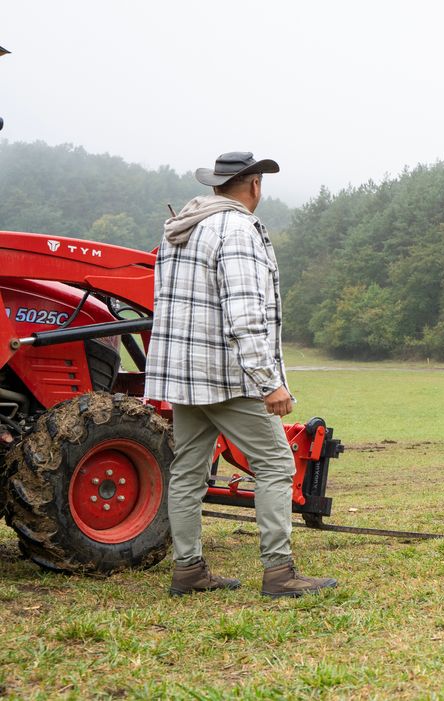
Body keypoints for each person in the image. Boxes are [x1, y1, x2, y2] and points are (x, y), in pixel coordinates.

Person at [146, 152, 337, 598]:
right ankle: (279, 572)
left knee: (188, 470)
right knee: (275, 463)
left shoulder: (181, 229)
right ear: (253, 186)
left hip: (185, 375)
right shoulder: (237, 229)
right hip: (227, 374)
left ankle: (189, 569)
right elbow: (245, 313)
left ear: (217, 185)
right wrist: (268, 380)